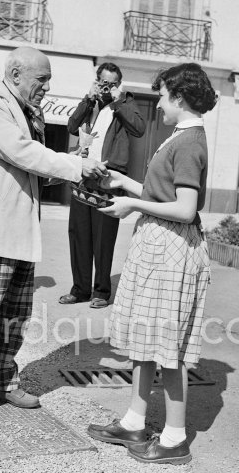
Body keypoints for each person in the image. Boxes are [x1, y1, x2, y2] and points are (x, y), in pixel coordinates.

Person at [0, 46, 108, 429]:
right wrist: (75, 164)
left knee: (14, 318)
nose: (46, 87)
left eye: (48, 80)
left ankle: (1, 383)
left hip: (18, 232)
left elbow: (32, 167)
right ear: (16, 74)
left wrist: (74, 164)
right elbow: (22, 152)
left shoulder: (24, 111)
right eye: (42, 79)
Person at [86, 63, 217, 465]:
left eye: (162, 96)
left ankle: (175, 439)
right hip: (159, 243)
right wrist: (125, 186)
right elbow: (164, 195)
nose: (158, 104)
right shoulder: (179, 136)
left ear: (179, 97)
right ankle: (134, 421)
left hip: (172, 248)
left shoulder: (190, 141)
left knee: (167, 347)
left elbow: (185, 208)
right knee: (147, 341)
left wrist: (131, 205)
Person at [59, 63, 145, 309]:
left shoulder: (125, 103)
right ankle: (80, 289)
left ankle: (101, 291)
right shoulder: (92, 102)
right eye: (103, 83)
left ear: (120, 84)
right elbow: (71, 126)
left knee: (103, 240)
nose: (107, 88)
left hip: (109, 179)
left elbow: (139, 129)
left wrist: (118, 102)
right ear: (97, 81)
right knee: (79, 236)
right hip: (84, 176)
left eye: (113, 84)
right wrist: (88, 98)